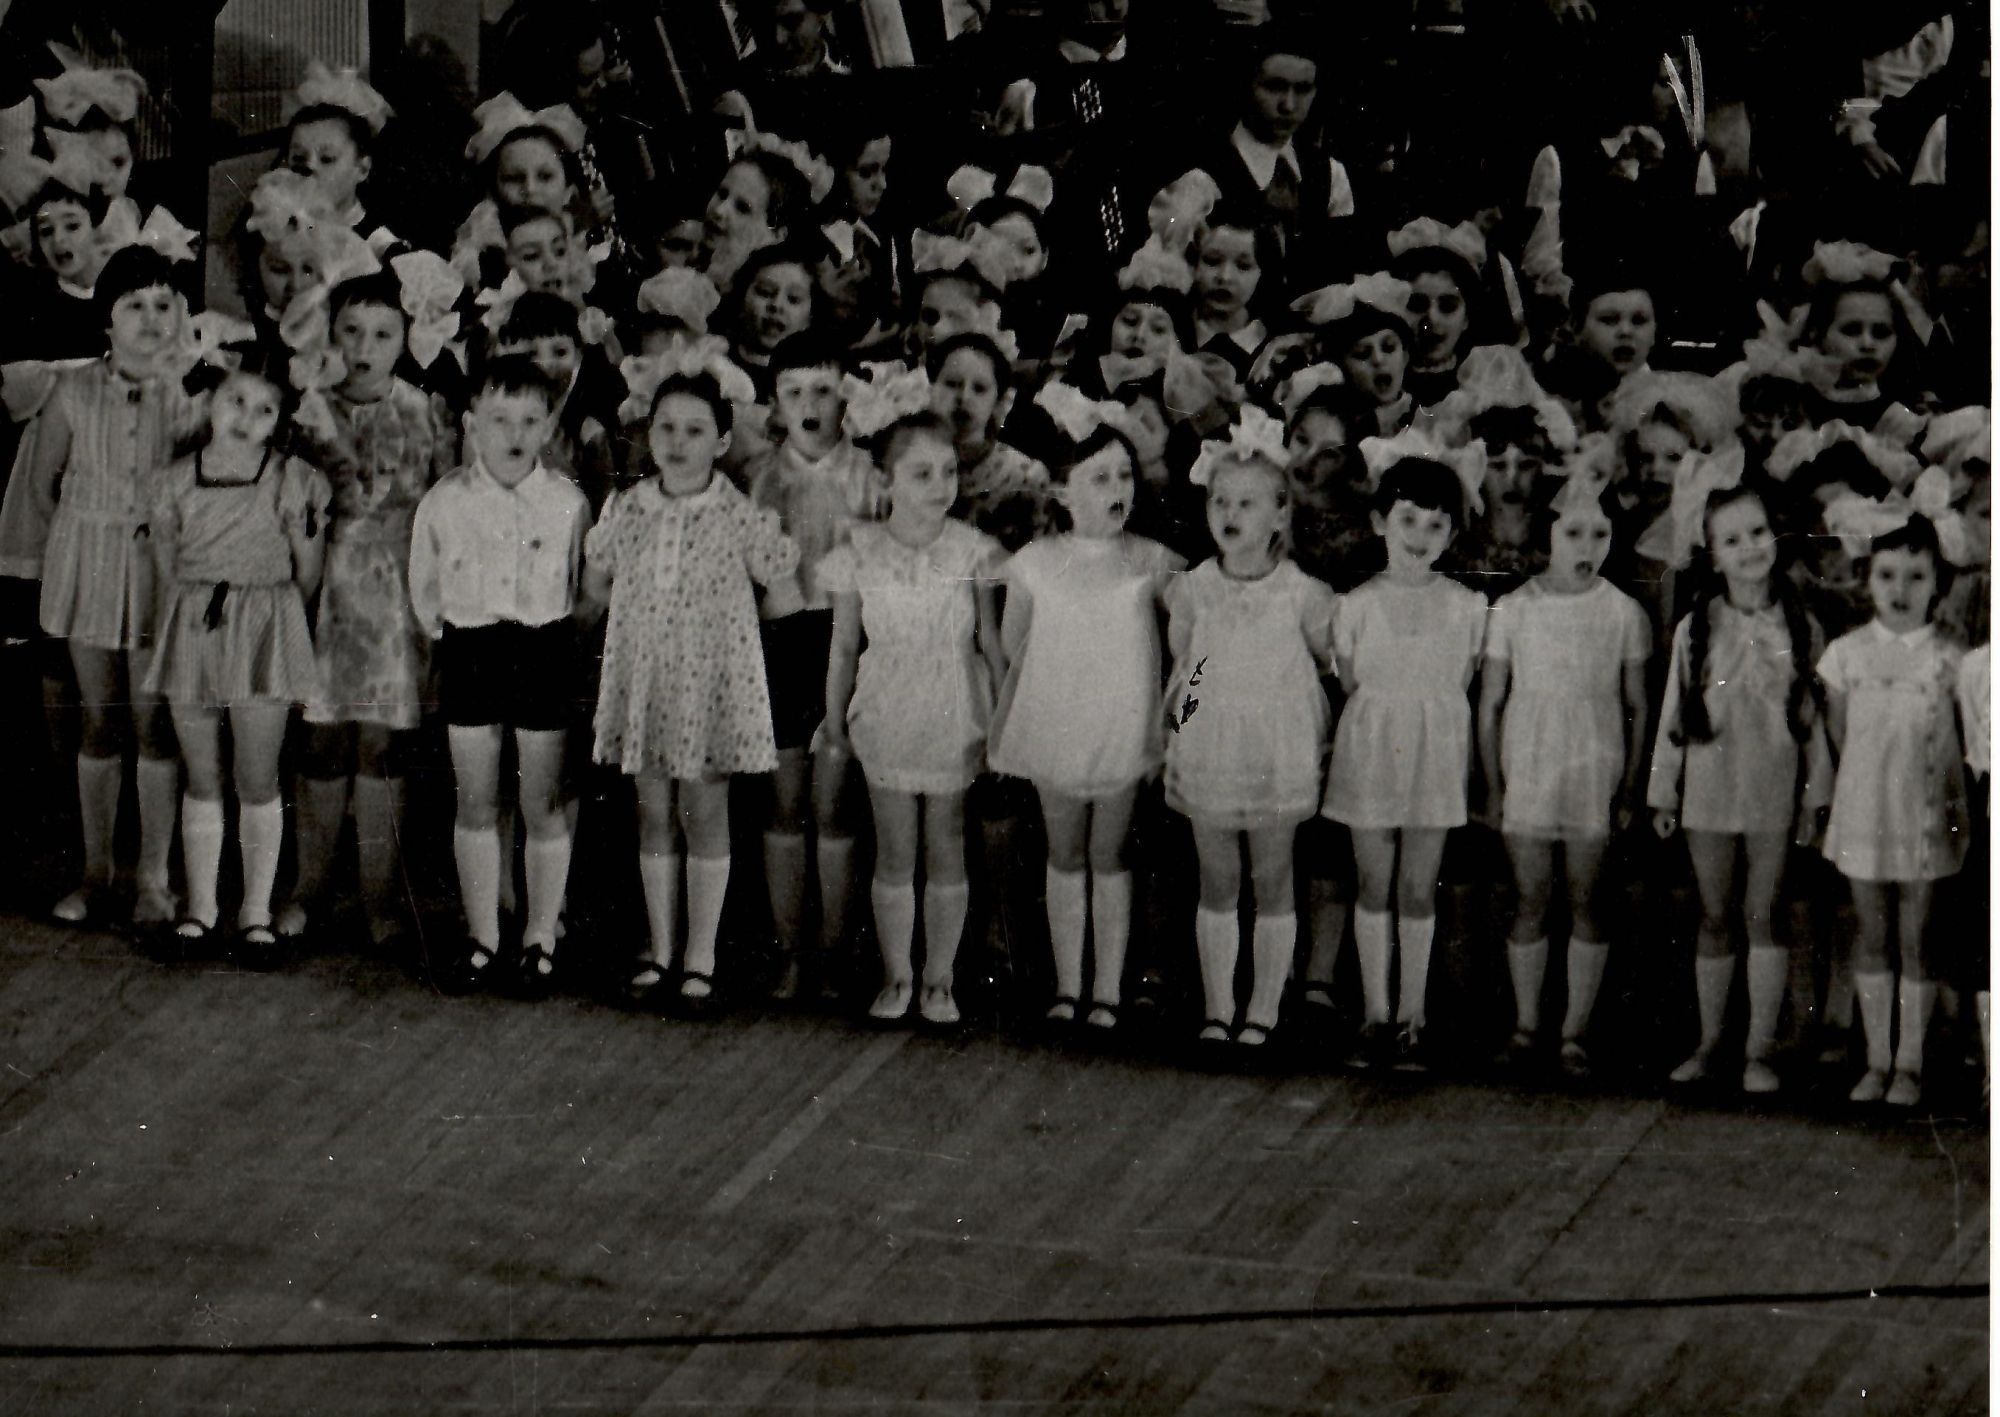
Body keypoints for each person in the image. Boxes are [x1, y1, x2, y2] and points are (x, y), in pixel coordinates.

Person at [586, 359, 797, 1011]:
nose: (678, 442)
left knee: (704, 816)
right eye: (667, 428)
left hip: (708, 690)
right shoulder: (627, 508)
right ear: (648, 434)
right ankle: (661, 948)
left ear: (722, 440)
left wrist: (729, 652)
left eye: (695, 430)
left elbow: (782, 595)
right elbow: (597, 582)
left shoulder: (738, 513)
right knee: (653, 814)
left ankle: (701, 956)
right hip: (648, 684)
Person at [0, 245, 201, 929]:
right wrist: (83, 542)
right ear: (106, 320)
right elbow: (40, 487)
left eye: (163, 304)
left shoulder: (190, 395)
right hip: (88, 565)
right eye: (133, 305)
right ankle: (95, 873)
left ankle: (154, 879)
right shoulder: (71, 391)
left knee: (153, 723)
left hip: (158, 574)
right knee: (98, 720)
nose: (151, 318)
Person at [990, 397, 1183, 1029]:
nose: (1116, 489)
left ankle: (1107, 991)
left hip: (1124, 728)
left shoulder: (1151, 560)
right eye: (1099, 478)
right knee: (1064, 852)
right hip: (1059, 724)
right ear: (1062, 492)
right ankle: (1069, 987)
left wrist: (1171, 720)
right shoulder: (1036, 563)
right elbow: (1014, 644)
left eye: (1124, 475)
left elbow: (1188, 647)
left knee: (1110, 853)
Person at [818, 396, 1007, 1027]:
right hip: (888, 707)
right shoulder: (860, 550)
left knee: (947, 843)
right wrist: (835, 723)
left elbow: (989, 642)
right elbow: (845, 646)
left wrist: (1004, 721)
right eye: (921, 473)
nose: (940, 486)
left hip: (953, 708)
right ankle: (897, 975)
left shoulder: (972, 552)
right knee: (895, 850)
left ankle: (939, 981)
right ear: (886, 480)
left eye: (949, 471)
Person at [286, 269, 458, 954]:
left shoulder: (425, 410)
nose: (364, 347)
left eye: (383, 334)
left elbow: (444, 506)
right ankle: (309, 888)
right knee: (322, 739)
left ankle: (379, 897)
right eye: (350, 331)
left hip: (396, 597)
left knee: (382, 745)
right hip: (326, 588)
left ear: (406, 338)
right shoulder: (309, 410)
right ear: (329, 335)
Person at [407, 355, 592, 994]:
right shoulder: (445, 502)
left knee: (542, 802)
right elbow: (425, 590)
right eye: (499, 419)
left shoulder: (568, 503)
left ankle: (541, 938)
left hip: (544, 652)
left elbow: (581, 585)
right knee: (476, 801)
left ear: (549, 429)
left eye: (529, 421)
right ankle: (483, 937)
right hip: (472, 651)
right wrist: (455, 637)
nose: (514, 434)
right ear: (471, 425)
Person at [144, 353, 330, 965]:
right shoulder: (174, 480)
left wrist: (265, 610)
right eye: (236, 401)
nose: (247, 418)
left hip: (264, 626)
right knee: (202, 775)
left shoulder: (291, 480)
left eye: (264, 409)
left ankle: (255, 912)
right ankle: (200, 908)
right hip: (193, 626)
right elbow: (167, 564)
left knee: (256, 775)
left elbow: (307, 572)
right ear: (210, 404)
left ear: (280, 421)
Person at [1163, 409, 1335, 1049]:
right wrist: (1180, 734)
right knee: (1217, 879)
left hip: (1275, 747)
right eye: (1220, 501)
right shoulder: (1195, 589)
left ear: (1281, 515)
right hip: (1211, 744)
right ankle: (1218, 1009)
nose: (1230, 514)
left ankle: (1262, 1011)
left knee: (1272, 876)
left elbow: (1326, 663)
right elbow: (1189, 668)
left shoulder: (1302, 594)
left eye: (1247, 503)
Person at [1648, 484, 1826, 1093]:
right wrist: (1664, 793)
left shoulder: (1801, 626)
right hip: (1710, 789)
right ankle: (1710, 1043)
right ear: (1713, 555)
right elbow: (1673, 716)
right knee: (1715, 913)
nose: (1749, 547)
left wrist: (1815, 798)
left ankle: (1759, 1053)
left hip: (1772, 791)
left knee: (1763, 913)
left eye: (1757, 532)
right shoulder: (1696, 626)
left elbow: (1813, 726)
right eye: (1732, 539)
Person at [1478, 473, 1650, 1079]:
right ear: (1547, 535)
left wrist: (1630, 786)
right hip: (1530, 761)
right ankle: (1527, 1026)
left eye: (1599, 534)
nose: (1587, 546)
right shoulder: (1514, 608)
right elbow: (1491, 703)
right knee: (1531, 897)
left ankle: (1574, 1033)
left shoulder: (1623, 612)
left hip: (1592, 764)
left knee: (1586, 899)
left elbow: (1637, 706)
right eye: (1573, 532)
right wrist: (1494, 786)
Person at [1322, 457, 1487, 1071]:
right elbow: (1350, 680)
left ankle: (1412, 1019)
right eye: (1408, 519)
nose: (1420, 535)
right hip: (1371, 749)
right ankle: (1374, 1013)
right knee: (1373, 883)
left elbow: (1461, 679)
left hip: (1434, 752)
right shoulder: (1355, 605)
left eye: (1436, 524)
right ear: (1379, 522)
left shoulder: (1467, 606)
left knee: (1418, 887)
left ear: (1452, 534)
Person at [743, 333, 884, 1001]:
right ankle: (789, 950)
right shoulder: (757, 478)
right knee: (784, 801)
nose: (809, 405)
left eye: (824, 391)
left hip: (845, 639)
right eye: (794, 392)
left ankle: (834, 951)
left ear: (845, 397)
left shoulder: (872, 476)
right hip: (778, 643)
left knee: (834, 804)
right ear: (774, 402)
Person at [1816, 514, 1966, 1106]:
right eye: (1886, 575)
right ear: (1867, 579)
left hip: (1925, 814)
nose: (1900, 590)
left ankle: (1910, 1065)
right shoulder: (1845, 655)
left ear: (1938, 584)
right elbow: (1837, 735)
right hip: (1866, 808)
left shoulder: (1952, 660)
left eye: (1916, 576)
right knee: (1871, 931)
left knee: (1918, 935)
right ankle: (1877, 1061)